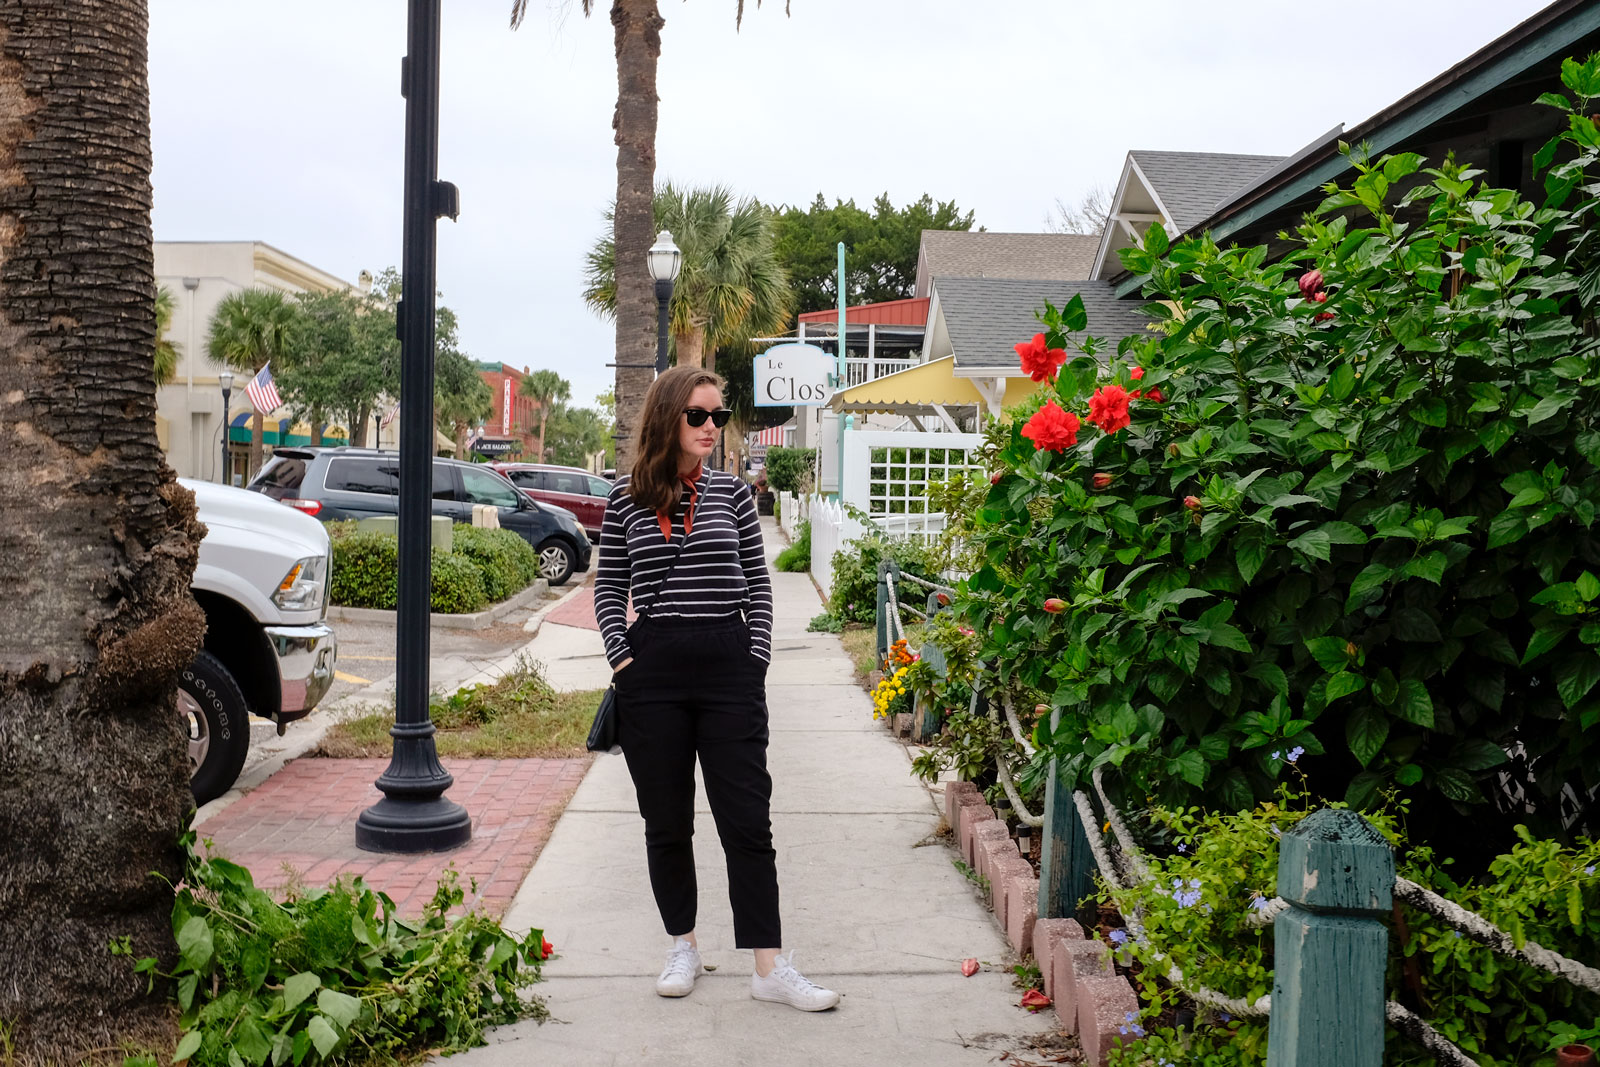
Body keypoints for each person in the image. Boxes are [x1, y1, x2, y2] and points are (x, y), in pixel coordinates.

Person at [593, 366, 840, 1012]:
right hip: (654, 674)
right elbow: (607, 586)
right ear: (667, 417)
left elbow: (758, 585)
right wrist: (623, 661)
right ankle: (685, 944)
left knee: (746, 821)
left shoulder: (732, 495)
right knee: (666, 822)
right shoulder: (625, 500)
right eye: (698, 415)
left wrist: (754, 656)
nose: (711, 427)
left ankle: (770, 964)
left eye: (718, 417)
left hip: (729, 667)